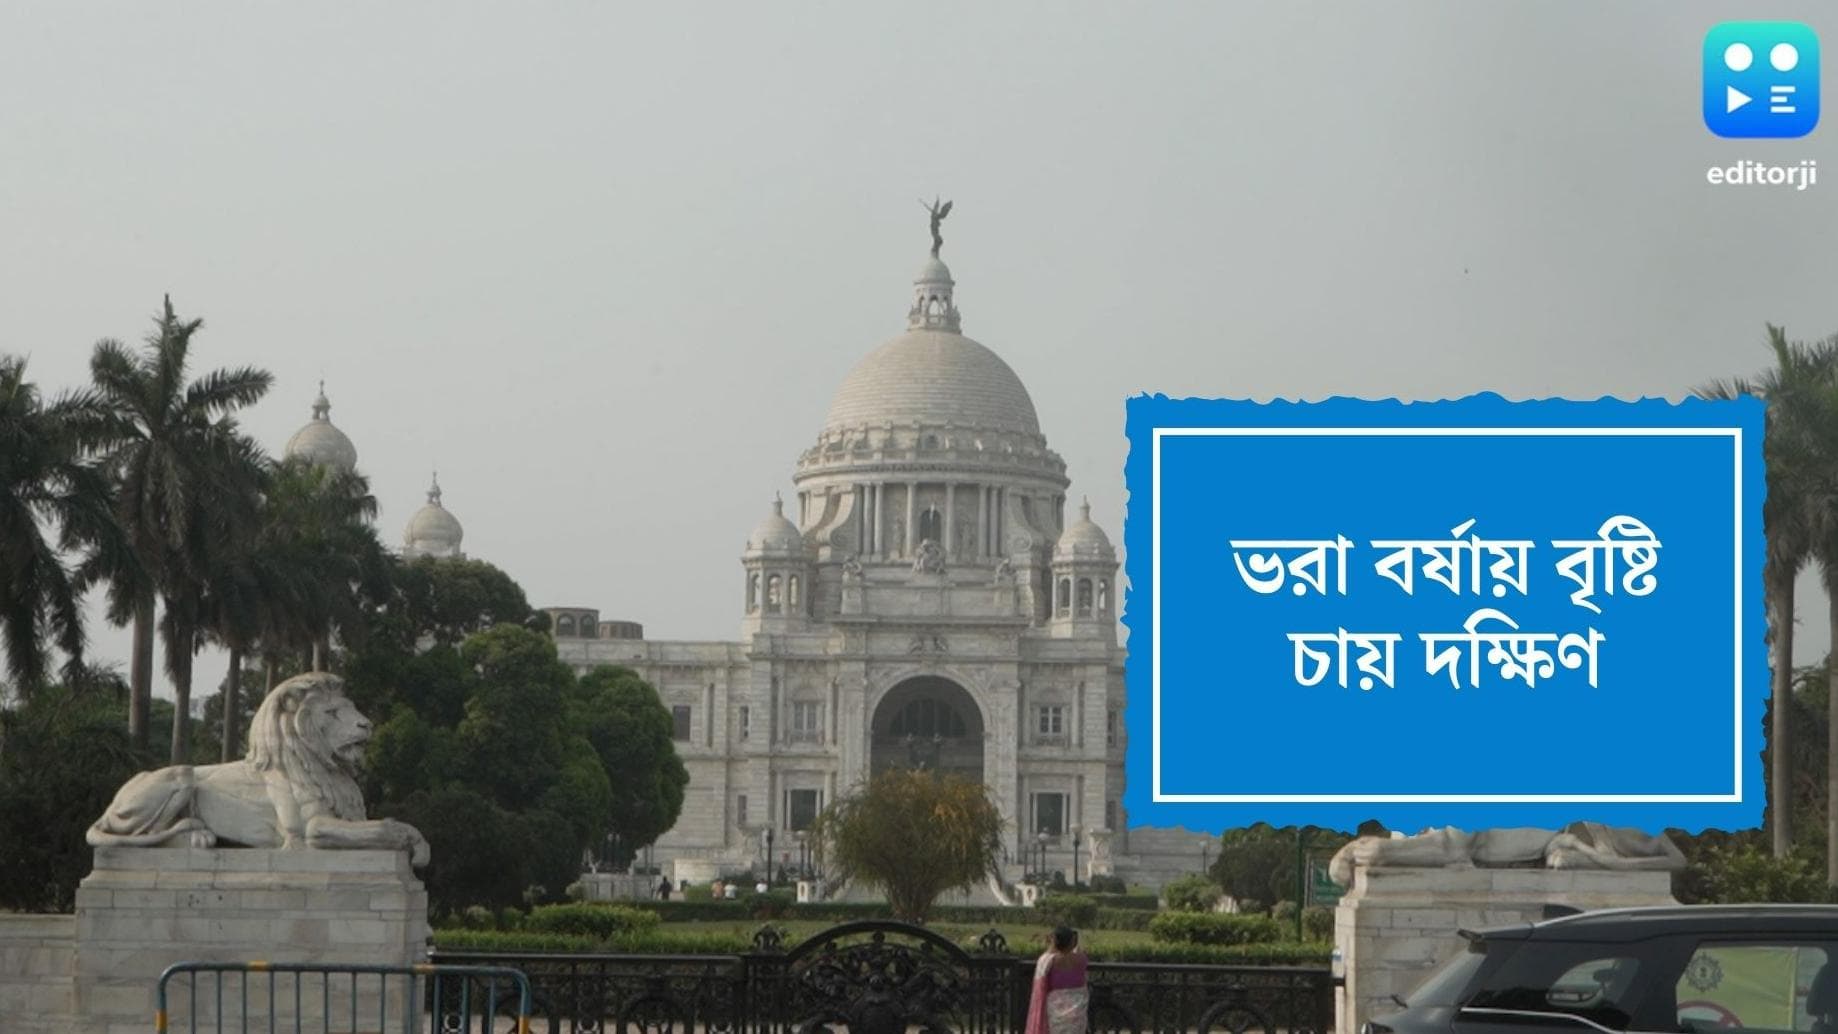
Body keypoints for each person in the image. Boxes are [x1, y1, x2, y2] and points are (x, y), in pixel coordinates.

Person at [1025, 926, 1088, 1034]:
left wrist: (1053, 945)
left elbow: (1045, 961)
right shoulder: (1081, 959)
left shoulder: (1049, 960)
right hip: (1077, 1011)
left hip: (1056, 1010)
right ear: (1072, 941)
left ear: (1055, 941)